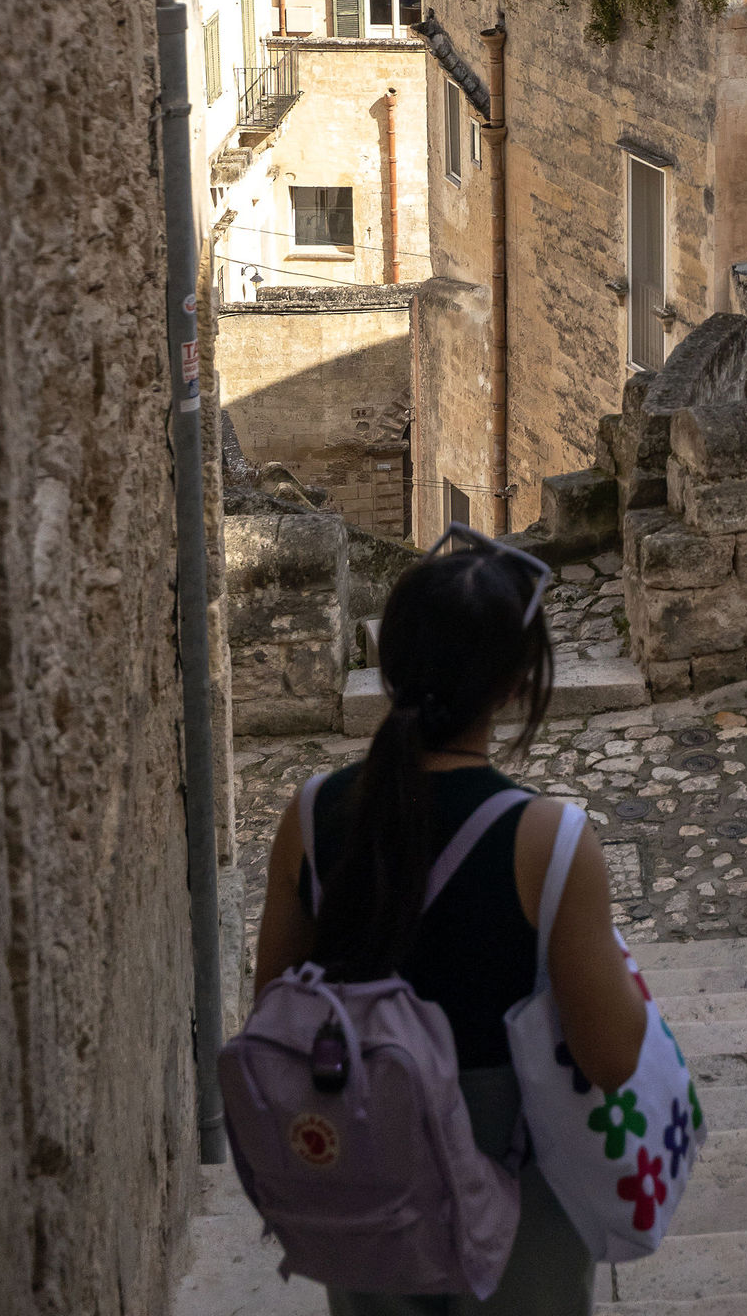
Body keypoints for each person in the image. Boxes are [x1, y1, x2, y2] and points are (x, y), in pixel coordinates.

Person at [252, 525, 648, 1316]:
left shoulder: (310, 816)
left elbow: (273, 1010)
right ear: (511, 687)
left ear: (385, 662)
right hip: (513, 1195)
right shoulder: (550, 841)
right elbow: (610, 1058)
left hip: (370, 1186)